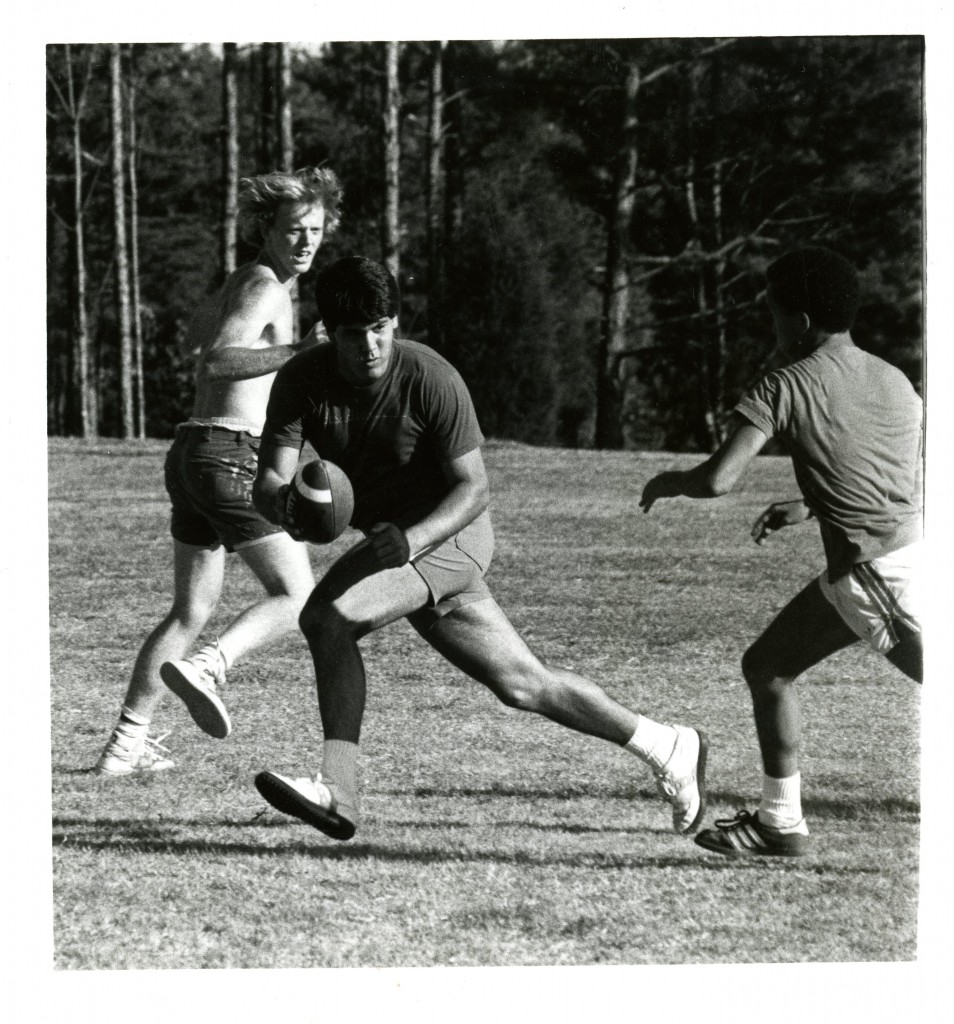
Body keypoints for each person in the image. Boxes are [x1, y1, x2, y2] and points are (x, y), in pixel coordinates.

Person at [170, 254, 705, 842]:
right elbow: (270, 481)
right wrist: (289, 511)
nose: (371, 345)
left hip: (449, 535)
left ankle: (338, 790)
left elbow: (473, 486)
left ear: (395, 322)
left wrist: (413, 539)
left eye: (381, 327)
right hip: (395, 544)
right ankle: (666, 744)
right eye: (354, 334)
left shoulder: (431, 377)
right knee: (523, 683)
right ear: (329, 333)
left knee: (325, 617)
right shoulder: (302, 381)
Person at [640, 246, 923, 857]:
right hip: (897, 560)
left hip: (879, 576)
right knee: (767, 667)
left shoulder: (785, 384)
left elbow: (719, 479)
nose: (771, 328)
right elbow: (890, 474)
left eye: (772, 314)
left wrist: (671, 481)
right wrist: (811, 505)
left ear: (798, 321)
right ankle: (780, 824)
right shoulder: (894, 379)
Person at [94, 167, 343, 776]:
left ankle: (126, 746)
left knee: (189, 610)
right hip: (228, 455)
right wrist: (298, 353)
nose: (306, 242)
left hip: (194, 455)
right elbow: (214, 361)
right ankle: (211, 666)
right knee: (297, 594)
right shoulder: (266, 288)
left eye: (315, 230)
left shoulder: (248, 280)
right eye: (293, 230)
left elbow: (203, 343)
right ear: (266, 229)